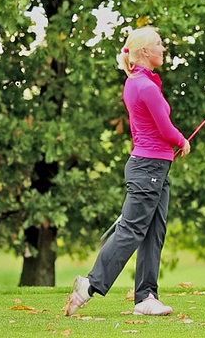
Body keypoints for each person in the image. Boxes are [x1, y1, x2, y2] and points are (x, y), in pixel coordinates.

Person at [65, 26, 191, 317]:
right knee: (132, 229)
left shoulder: (139, 82)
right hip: (148, 168)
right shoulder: (144, 86)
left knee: (153, 232)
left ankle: (146, 296)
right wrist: (182, 141)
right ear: (145, 51)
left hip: (154, 167)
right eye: (159, 45)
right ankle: (90, 285)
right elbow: (165, 129)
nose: (163, 49)